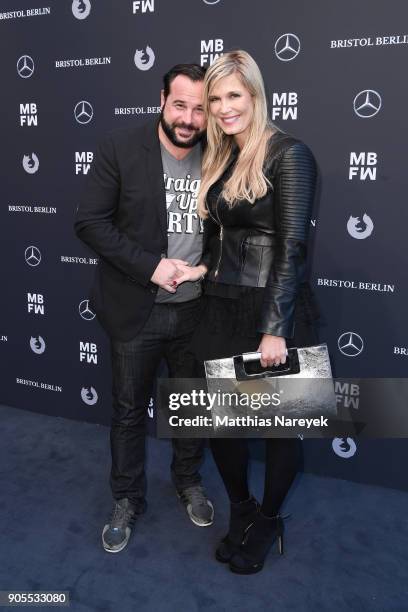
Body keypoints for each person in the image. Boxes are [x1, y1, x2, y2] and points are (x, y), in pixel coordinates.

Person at [175, 50, 319, 574]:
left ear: (255, 96)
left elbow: (292, 246)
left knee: (281, 428)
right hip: (219, 305)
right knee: (222, 425)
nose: (222, 107)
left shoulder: (290, 154)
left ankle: (270, 519)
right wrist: (200, 272)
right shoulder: (221, 159)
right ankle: (242, 510)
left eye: (233, 95)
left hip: (270, 307)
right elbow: (222, 238)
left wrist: (275, 330)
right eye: (214, 98)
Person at [74, 63, 214, 554]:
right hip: (138, 307)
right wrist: (151, 266)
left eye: (200, 108)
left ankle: (188, 481)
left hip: (198, 310)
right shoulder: (120, 147)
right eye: (180, 105)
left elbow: (236, 228)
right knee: (130, 412)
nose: (189, 118)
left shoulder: (221, 154)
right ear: (161, 100)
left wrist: (208, 269)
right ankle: (127, 498)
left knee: (192, 407)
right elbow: (89, 222)